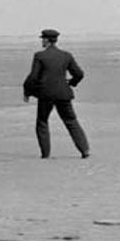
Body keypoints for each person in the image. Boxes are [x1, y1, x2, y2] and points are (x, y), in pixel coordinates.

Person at [22, 28, 90, 159]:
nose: (42, 41)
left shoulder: (40, 56)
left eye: (43, 39)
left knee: (42, 122)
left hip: (45, 94)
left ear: (47, 40)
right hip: (63, 93)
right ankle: (85, 150)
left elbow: (33, 77)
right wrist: (71, 83)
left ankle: (45, 154)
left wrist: (27, 91)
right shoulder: (66, 55)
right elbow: (79, 74)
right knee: (71, 121)